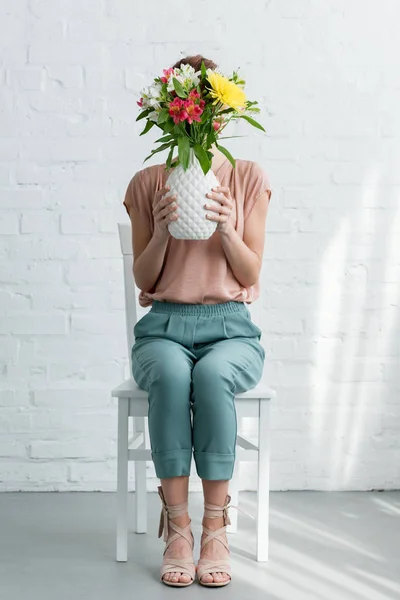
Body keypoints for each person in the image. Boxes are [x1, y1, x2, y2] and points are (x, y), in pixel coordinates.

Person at [123, 54, 272, 588]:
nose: (199, 120)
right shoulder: (148, 182)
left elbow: (252, 269)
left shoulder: (248, 178)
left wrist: (229, 230)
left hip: (231, 327)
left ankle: (214, 528)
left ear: (221, 116)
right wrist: (161, 231)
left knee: (209, 376)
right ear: (171, 115)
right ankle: (178, 528)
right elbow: (143, 273)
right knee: (170, 373)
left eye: (208, 109)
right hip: (163, 325)